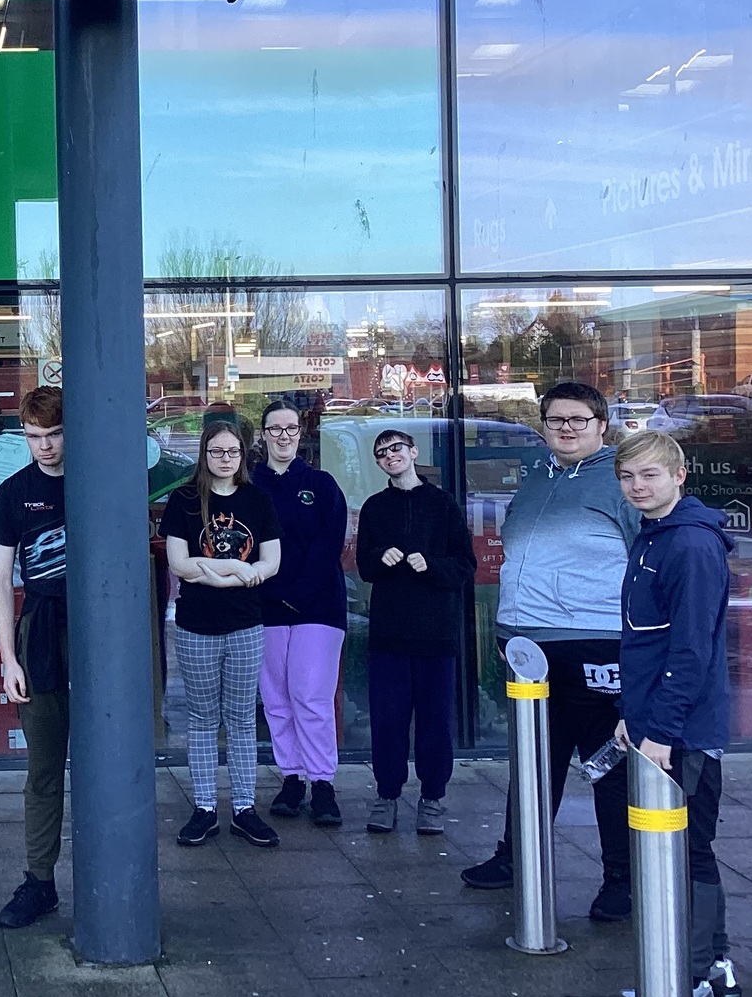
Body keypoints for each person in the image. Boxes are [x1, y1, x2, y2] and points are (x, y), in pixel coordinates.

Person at [461, 381, 642, 922]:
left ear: (601, 425)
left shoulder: (621, 481)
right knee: (534, 760)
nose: (566, 428)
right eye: (556, 420)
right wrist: (508, 630)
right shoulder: (538, 475)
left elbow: (647, 562)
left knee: (607, 765)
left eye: (578, 420)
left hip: (595, 642)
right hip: (529, 645)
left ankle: (623, 880)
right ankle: (516, 856)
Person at [612, 431, 740, 997]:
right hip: (660, 721)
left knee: (684, 853)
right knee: (692, 849)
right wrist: (631, 715)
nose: (638, 487)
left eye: (650, 475)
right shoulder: (655, 534)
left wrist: (660, 732)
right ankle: (714, 967)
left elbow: (690, 650)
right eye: (628, 477)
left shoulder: (688, 544)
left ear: (679, 475)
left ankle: (688, 984)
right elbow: (648, 642)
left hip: (681, 731)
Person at [162, 415, 283, 848]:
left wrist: (217, 575)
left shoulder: (257, 499)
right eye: (217, 451)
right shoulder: (183, 500)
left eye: (233, 451)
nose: (225, 458)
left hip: (246, 625)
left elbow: (270, 563)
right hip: (197, 626)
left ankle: (245, 808)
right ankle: (205, 808)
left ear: (243, 454)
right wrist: (234, 569)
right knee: (201, 719)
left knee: (241, 719)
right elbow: (179, 564)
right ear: (204, 454)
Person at [354, 429, 475, 836]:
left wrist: (432, 566)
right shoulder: (374, 508)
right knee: (387, 720)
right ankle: (387, 795)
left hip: (436, 633)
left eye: (396, 449)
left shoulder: (443, 504)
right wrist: (379, 557)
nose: (390, 456)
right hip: (389, 634)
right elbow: (364, 567)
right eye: (382, 453)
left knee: (435, 722)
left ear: (413, 452)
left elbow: (465, 564)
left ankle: (433, 797)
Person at [0, 387, 70, 928]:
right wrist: (8, 659)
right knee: (43, 770)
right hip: (39, 633)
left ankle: (114, 868)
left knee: (110, 763)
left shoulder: (96, 480)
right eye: (34, 437)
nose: (45, 446)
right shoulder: (14, 492)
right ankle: (40, 881)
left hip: (101, 635)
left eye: (54, 434)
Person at [249, 401, 349, 826]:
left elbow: (329, 545)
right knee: (276, 698)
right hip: (265, 608)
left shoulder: (322, 485)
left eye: (291, 428)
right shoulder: (249, 486)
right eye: (275, 429)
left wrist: (297, 594)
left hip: (318, 607)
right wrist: (271, 593)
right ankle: (291, 777)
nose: (284, 436)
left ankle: (322, 782)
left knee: (311, 696)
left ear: (300, 434)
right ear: (264, 435)